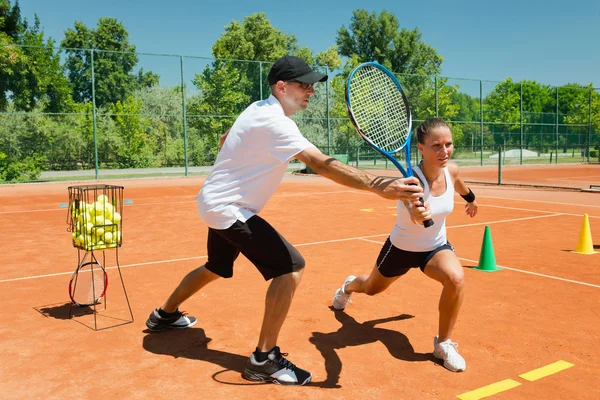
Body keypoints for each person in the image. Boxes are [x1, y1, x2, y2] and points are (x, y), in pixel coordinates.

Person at [145, 55, 426, 386]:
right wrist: (380, 187)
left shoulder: (257, 109)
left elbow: (225, 138)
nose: (310, 91)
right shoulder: (276, 122)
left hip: (216, 202)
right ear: (282, 87)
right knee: (290, 268)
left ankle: (164, 315)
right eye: (304, 85)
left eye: (312, 86)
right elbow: (320, 163)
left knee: (216, 267)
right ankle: (263, 359)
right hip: (228, 208)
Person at [332, 117, 478, 373]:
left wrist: (471, 199)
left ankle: (443, 343)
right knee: (371, 288)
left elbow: (460, 185)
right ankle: (348, 285)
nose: (444, 151)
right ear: (420, 148)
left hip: (435, 249)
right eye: (436, 145)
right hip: (400, 249)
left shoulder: (451, 170)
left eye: (448, 144)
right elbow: (413, 212)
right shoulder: (411, 181)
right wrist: (418, 214)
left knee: (456, 279)